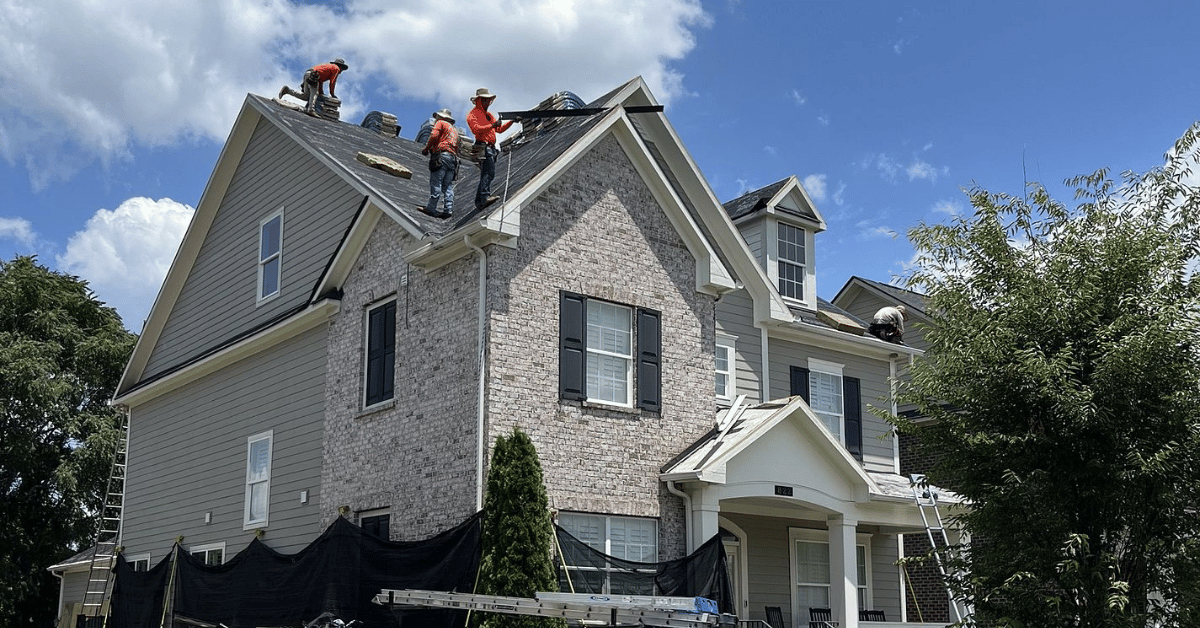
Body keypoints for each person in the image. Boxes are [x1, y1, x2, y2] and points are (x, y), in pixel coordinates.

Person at [466, 87, 514, 210]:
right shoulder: (473, 114)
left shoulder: (488, 115)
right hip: (483, 146)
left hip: (491, 147)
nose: (487, 103)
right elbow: (476, 129)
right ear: (479, 101)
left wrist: (512, 121)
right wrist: (492, 125)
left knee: (487, 173)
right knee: (488, 172)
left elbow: (499, 129)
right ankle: (483, 198)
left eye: (488, 100)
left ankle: (480, 200)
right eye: (485, 100)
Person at [419, 109, 459, 219]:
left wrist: (427, 148)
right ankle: (448, 209)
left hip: (442, 156)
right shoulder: (454, 130)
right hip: (453, 158)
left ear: (440, 117)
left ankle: (431, 208)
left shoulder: (440, 123)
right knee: (448, 186)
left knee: (436, 183)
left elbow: (433, 135)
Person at [278, 58, 348, 116]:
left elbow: (320, 82)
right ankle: (311, 109)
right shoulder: (336, 68)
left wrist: (321, 93)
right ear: (340, 66)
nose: (341, 71)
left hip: (308, 74)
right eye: (342, 69)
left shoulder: (328, 68)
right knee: (315, 93)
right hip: (314, 76)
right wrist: (332, 94)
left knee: (306, 96)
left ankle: (288, 90)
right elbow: (332, 82)